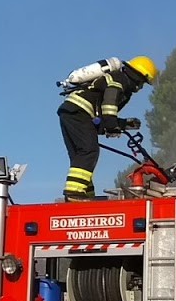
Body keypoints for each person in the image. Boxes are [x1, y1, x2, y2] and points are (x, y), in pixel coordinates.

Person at [57, 55, 158, 201]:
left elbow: (101, 120)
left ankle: (84, 193)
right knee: (89, 151)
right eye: (142, 83)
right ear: (138, 77)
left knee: (80, 155)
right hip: (80, 111)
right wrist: (112, 124)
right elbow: (109, 103)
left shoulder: (119, 80)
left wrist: (122, 124)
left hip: (71, 111)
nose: (140, 87)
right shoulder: (120, 79)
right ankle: (74, 193)